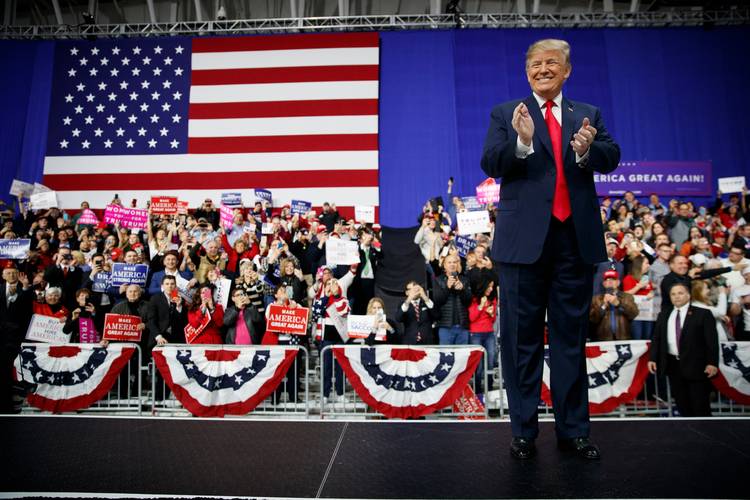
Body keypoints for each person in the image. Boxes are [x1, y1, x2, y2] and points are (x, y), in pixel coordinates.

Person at [480, 38, 620, 459]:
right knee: (520, 341)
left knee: (569, 341)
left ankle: (573, 431)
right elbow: (491, 162)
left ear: (567, 70)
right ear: (527, 72)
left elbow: (611, 156)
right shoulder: (508, 114)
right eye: (535, 64)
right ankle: (523, 432)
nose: (543, 69)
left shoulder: (587, 115)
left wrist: (586, 151)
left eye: (551, 63)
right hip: (522, 246)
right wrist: (521, 144)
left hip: (573, 243)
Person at [648, 282, 718, 417]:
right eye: (673, 294)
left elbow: (711, 341)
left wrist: (712, 362)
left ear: (688, 295)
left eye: (680, 293)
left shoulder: (703, 314)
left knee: (700, 406)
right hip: (673, 365)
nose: (676, 297)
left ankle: (706, 436)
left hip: (697, 366)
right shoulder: (664, 314)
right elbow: (657, 338)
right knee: (682, 405)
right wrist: (653, 358)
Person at [432, 254, 472, 345]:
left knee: (462, 357)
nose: (452, 264)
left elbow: (468, 302)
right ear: (444, 265)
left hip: (462, 326)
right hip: (445, 326)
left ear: (458, 265)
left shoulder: (464, 280)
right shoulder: (438, 280)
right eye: (449, 262)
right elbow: (437, 301)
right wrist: (447, 288)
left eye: (454, 262)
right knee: (446, 357)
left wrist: (462, 290)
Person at [467, 278, 497, 397]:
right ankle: (478, 392)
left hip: (489, 333)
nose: (491, 289)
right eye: (489, 286)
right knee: (478, 366)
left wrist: (491, 313)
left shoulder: (492, 299)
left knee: (490, 362)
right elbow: (471, 318)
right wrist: (480, 306)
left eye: (492, 287)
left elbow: (493, 319)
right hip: (476, 334)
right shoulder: (474, 299)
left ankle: (490, 392)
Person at [589, 270, 638, 341]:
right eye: (607, 280)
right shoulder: (596, 299)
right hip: (602, 339)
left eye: (613, 279)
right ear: (604, 283)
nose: (610, 282)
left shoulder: (627, 297)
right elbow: (593, 319)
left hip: (623, 337)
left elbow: (634, 314)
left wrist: (618, 304)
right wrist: (604, 305)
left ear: (618, 283)